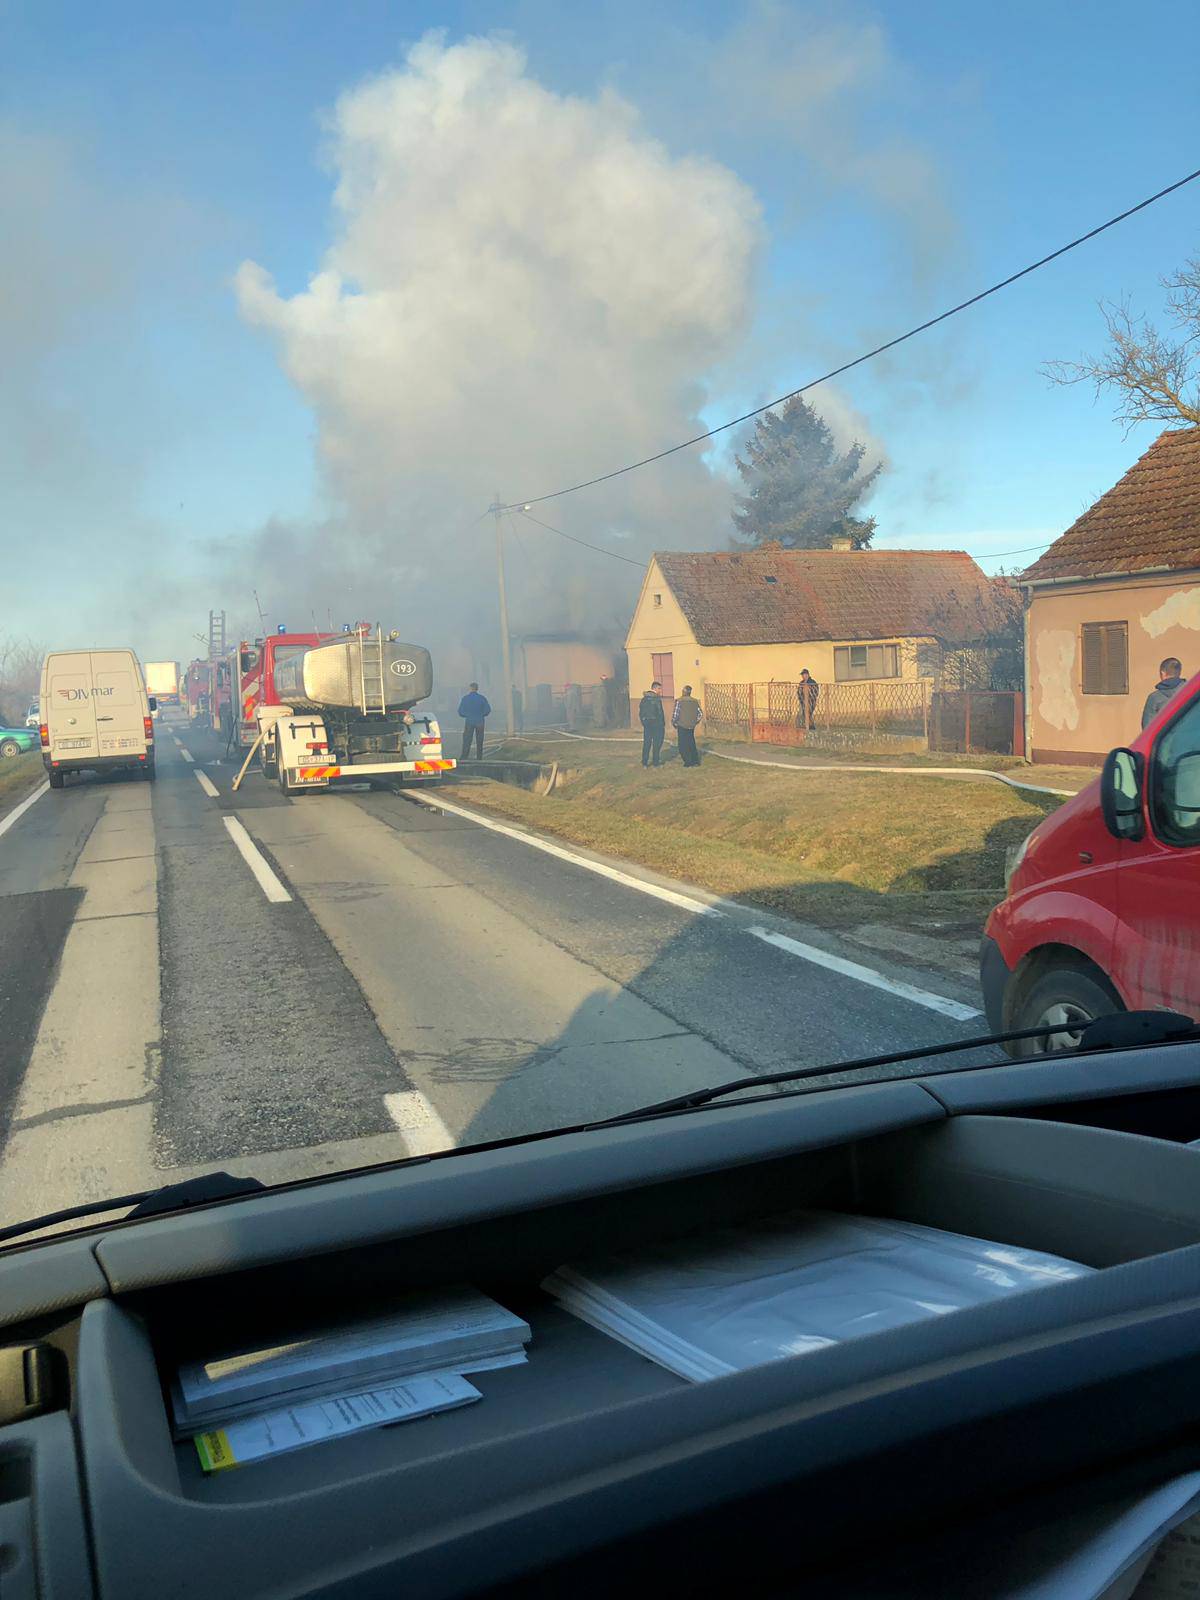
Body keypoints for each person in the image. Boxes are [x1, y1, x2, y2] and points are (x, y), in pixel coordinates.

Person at [1142, 657, 1186, 729]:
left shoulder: (1154, 698)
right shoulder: (1191, 693)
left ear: (1163, 673)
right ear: (1179, 673)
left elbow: (1147, 728)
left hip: (1165, 739)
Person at [458, 682, 491, 759]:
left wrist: (467, 715)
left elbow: (460, 711)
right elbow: (488, 710)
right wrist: (481, 714)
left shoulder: (465, 698)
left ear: (470, 688)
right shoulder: (482, 698)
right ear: (477, 688)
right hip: (480, 722)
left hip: (469, 721)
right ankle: (479, 757)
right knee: (479, 740)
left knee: (467, 740)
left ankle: (464, 757)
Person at [672, 685, 703, 767]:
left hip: (682, 725)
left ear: (684, 692)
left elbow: (676, 713)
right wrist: (695, 721)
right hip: (691, 725)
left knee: (682, 744)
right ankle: (695, 761)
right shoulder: (695, 701)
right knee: (691, 743)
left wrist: (674, 722)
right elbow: (700, 713)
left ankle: (688, 761)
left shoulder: (679, 701)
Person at [639, 681, 666, 767]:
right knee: (656, 743)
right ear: (654, 688)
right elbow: (660, 712)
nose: (660, 691)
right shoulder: (657, 699)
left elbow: (641, 712)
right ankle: (655, 762)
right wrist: (662, 723)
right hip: (657, 724)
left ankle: (644, 762)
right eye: (659, 688)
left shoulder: (644, 699)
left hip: (647, 724)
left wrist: (643, 722)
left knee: (647, 743)